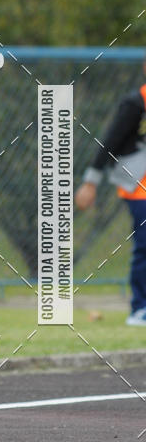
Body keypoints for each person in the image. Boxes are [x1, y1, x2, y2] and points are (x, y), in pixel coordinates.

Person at [76, 62, 146, 325]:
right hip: (139, 187)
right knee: (145, 246)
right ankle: (140, 308)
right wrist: (90, 182)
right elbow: (109, 142)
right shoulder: (136, 103)